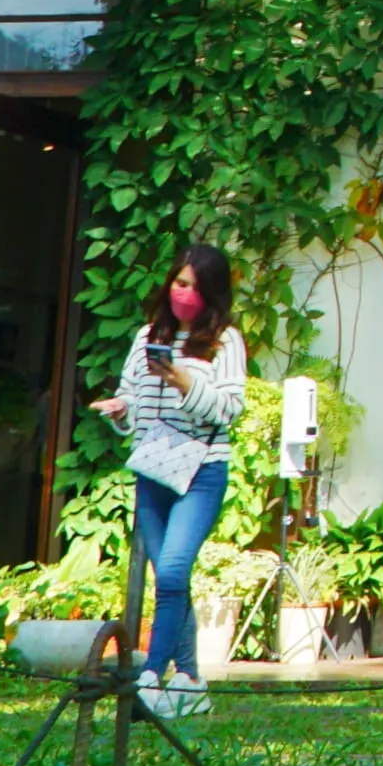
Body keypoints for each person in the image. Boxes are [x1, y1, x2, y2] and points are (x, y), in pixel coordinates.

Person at [87, 241, 249, 717]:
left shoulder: (226, 341)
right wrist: (120, 410)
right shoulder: (146, 337)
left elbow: (229, 408)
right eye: (180, 283)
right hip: (154, 466)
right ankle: (192, 680)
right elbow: (132, 399)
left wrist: (185, 382)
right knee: (169, 578)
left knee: (175, 570)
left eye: (196, 288)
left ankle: (153, 678)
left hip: (201, 468)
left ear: (212, 295)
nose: (185, 295)